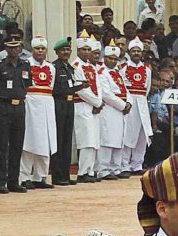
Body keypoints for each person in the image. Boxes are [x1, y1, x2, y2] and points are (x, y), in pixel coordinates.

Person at [0, 35, 28, 193]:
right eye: (10, 47)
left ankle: (13, 180)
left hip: (19, 107)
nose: (14, 50)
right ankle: (0, 182)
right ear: (6, 49)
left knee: (17, 145)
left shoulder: (25, 65)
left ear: (20, 48)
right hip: (3, 107)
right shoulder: (0, 66)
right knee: (1, 146)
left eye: (16, 47)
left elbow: (27, 86)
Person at [20, 35, 56, 190]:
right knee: (29, 142)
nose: (40, 51)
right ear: (32, 49)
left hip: (47, 105)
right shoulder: (25, 64)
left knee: (45, 142)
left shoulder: (51, 67)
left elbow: (51, 86)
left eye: (43, 49)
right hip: (31, 104)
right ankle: (24, 176)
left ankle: (40, 176)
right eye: (37, 48)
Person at [97, 41, 132, 181]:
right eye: (109, 58)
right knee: (107, 139)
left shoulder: (118, 72)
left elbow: (127, 89)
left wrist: (129, 102)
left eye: (114, 59)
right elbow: (106, 94)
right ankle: (104, 169)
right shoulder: (101, 72)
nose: (112, 61)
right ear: (104, 58)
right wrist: (123, 105)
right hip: (110, 109)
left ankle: (116, 168)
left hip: (121, 109)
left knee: (119, 139)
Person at [73, 34, 103, 183]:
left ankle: (90, 170)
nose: (86, 52)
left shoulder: (92, 67)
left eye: (88, 49)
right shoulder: (76, 66)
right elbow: (81, 90)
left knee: (94, 140)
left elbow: (98, 86)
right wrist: (97, 102)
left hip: (94, 106)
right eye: (83, 49)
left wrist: (99, 102)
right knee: (86, 140)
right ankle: (83, 171)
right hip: (82, 105)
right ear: (78, 50)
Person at [121, 38, 152, 175]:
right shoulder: (123, 68)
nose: (136, 53)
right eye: (134, 51)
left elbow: (148, 88)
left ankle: (137, 164)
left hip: (142, 103)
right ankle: (125, 164)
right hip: (130, 103)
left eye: (138, 51)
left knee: (142, 134)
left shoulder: (147, 70)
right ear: (129, 52)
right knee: (128, 134)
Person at [51, 37, 79, 186]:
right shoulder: (54, 67)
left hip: (70, 103)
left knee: (67, 140)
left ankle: (66, 174)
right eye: (63, 50)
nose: (66, 52)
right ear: (57, 52)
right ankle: (57, 175)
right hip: (59, 103)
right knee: (59, 139)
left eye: (68, 49)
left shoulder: (70, 69)